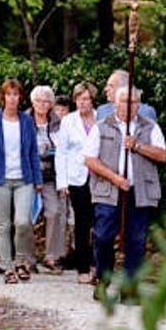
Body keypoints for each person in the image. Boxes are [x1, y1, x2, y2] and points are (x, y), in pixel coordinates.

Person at [85, 86, 166, 286]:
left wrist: (138, 146)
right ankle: (104, 279)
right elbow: (89, 159)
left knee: (136, 240)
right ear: (115, 103)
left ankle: (130, 286)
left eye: (134, 102)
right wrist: (114, 178)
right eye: (125, 101)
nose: (129, 106)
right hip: (109, 191)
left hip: (140, 191)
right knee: (103, 236)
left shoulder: (150, 127)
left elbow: (162, 155)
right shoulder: (101, 126)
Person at [0, 79, 44, 283]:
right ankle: (8, 267)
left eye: (16, 95)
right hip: (0, 179)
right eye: (8, 94)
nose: (12, 98)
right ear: (3, 97)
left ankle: (20, 261)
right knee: (3, 224)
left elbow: (33, 152)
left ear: (20, 98)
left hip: (24, 178)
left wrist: (38, 178)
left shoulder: (27, 121)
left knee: (23, 222)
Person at [56, 82, 101, 283]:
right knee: (82, 224)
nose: (82, 103)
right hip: (77, 178)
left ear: (92, 100)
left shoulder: (103, 118)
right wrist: (62, 181)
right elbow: (62, 152)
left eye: (86, 99)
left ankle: (98, 265)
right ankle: (82, 268)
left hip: (100, 177)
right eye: (79, 99)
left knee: (100, 222)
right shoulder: (68, 121)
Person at [29, 85, 67, 273]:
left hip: (51, 175)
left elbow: (64, 149)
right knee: (26, 217)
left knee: (54, 212)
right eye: (39, 101)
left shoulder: (58, 123)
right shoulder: (24, 121)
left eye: (46, 101)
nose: (43, 104)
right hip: (29, 176)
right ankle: (27, 258)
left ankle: (51, 256)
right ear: (32, 102)